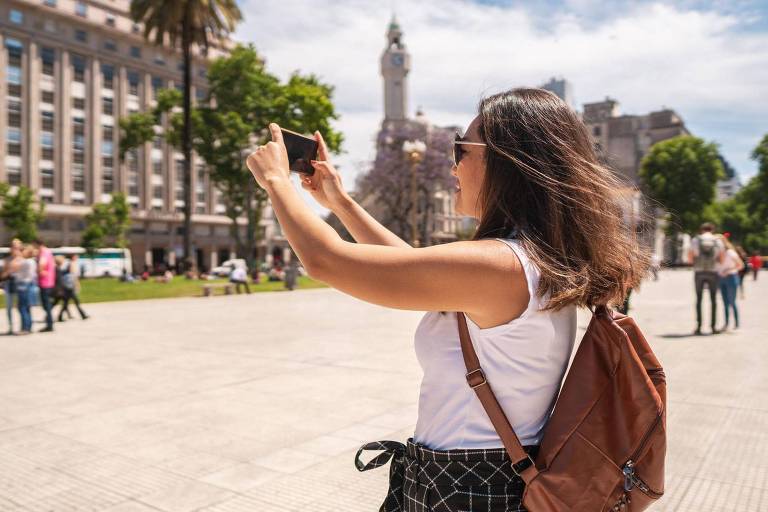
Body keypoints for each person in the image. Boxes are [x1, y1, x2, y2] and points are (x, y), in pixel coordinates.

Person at [245, 88, 648, 510]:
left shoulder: (503, 265)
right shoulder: (530, 258)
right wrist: (340, 202)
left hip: (467, 491)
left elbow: (328, 261)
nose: (451, 164)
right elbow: (413, 266)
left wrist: (276, 181)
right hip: (486, 479)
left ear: (507, 164)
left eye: (461, 148)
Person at [688, 223, 724, 336]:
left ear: (701, 230)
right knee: (713, 300)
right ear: (712, 230)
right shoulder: (717, 240)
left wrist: (695, 263)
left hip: (699, 272)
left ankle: (699, 327)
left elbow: (690, 257)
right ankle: (713, 327)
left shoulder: (695, 240)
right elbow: (722, 258)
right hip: (713, 272)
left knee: (699, 299)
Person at [717, 235, 743, 331]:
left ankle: (736, 324)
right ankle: (726, 324)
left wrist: (728, 270)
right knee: (725, 303)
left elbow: (741, 265)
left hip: (731, 277)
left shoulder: (731, 252)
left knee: (732, 302)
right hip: (721, 279)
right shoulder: (717, 254)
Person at [32, 239, 55, 332]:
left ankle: (49, 324)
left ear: (38, 244)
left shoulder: (44, 252)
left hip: (44, 282)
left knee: (46, 304)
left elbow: (42, 264)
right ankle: (49, 322)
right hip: (49, 281)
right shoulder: (48, 252)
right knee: (47, 304)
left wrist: (37, 270)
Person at [14, 245, 37, 335]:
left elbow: (15, 267)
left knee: (22, 307)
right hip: (29, 285)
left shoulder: (26, 262)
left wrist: (18, 255)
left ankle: (25, 328)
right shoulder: (32, 261)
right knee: (27, 307)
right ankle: (28, 327)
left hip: (23, 285)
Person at [1, 239, 23, 334]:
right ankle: (11, 327)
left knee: (21, 307)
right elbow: (2, 276)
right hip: (9, 285)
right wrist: (9, 271)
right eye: (13, 247)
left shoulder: (23, 260)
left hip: (20, 286)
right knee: (9, 308)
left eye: (17, 247)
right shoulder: (7, 260)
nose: (15, 249)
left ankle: (22, 326)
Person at [58, 255, 88, 322]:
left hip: (67, 286)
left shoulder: (65, 265)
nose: (77, 257)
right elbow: (73, 276)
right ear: (72, 256)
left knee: (66, 303)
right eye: (76, 256)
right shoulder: (70, 264)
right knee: (75, 301)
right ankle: (83, 315)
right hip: (69, 287)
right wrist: (77, 284)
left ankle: (60, 316)